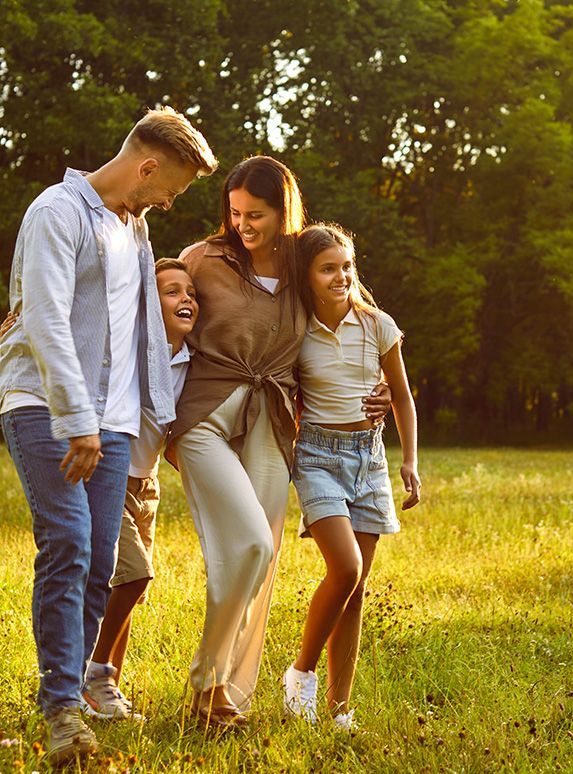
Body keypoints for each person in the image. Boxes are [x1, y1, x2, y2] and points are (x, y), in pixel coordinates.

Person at [0, 107, 216, 765]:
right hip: (44, 405)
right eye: (172, 187)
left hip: (113, 421)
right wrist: (77, 420)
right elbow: (47, 322)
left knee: (100, 562)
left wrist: (156, 414)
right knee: (67, 541)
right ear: (146, 167)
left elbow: (145, 332)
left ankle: (71, 696)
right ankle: (62, 709)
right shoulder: (56, 213)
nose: (171, 202)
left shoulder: (135, 229)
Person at [166, 156, 391, 728]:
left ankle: (223, 700)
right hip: (206, 415)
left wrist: (379, 387)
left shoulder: (301, 265)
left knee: (259, 562)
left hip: (272, 419)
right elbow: (156, 314)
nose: (243, 225)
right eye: (235, 213)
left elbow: (354, 315)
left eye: (257, 215)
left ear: (283, 210)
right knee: (248, 546)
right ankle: (205, 683)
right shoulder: (206, 258)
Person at [0, 258, 199, 724]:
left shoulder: (193, 360)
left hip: (146, 483)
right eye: (171, 291)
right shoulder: (130, 343)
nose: (185, 298)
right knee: (132, 574)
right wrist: (19, 331)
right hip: (110, 467)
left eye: (190, 292)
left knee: (120, 585)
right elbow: (76, 328)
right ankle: (91, 678)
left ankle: (104, 686)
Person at [281, 224, 421, 731]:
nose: (340, 276)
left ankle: (341, 707)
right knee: (345, 568)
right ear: (307, 275)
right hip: (317, 455)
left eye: (346, 266)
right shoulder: (295, 329)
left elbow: (402, 395)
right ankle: (301, 676)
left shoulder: (378, 324)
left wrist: (409, 461)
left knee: (356, 589)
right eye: (327, 268)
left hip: (369, 459)